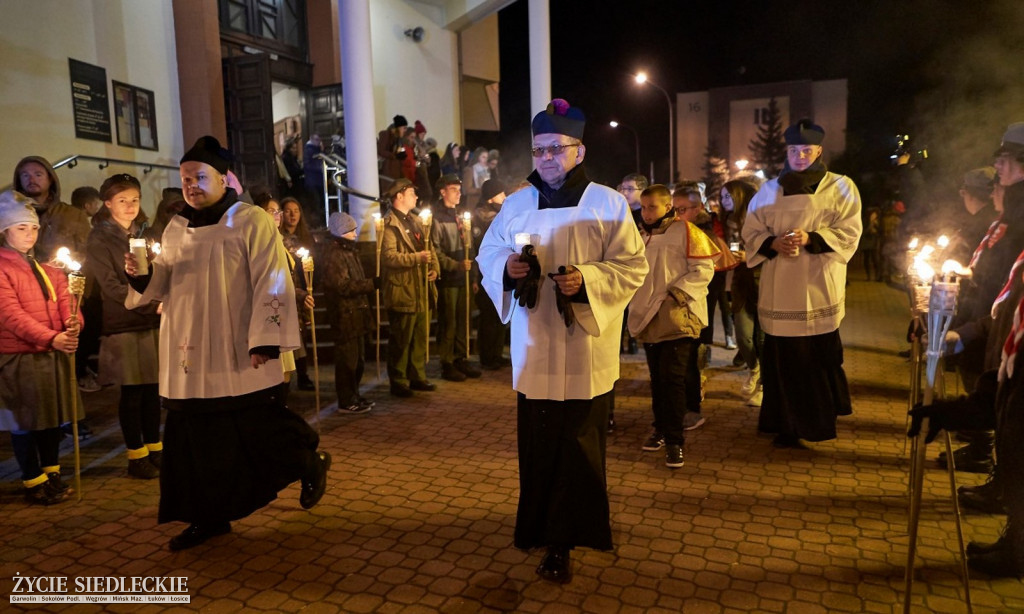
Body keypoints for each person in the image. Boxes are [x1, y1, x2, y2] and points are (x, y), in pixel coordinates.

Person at [124, 136, 330, 551]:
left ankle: (309, 463)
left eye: (200, 176)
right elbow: (161, 284)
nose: (191, 185)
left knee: (256, 427)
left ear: (222, 178)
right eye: (185, 178)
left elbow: (273, 280)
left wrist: (267, 340)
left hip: (239, 347)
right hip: (188, 354)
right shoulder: (176, 226)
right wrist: (140, 275)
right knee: (195, 443)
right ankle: (209, 517)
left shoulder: (251, 220)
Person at [477, 98, 647, 584]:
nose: (546, 158)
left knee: (578, 444)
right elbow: (488, 255)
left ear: (579, 150)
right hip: (535, 346)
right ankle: (536, 526)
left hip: (582, 348)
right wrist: (506, 269)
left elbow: (633, 265)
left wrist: (587, 280)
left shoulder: (607, 203)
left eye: (556, 148)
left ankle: (570, 536)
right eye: (539, 149)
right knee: (538, 443)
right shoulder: (516, 203)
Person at [742, 119, 863, 448]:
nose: (799, 156)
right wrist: (772, 244)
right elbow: (750, 232)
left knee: (815, 361)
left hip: (818, 285)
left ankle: (818, 421)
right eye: (794, 150)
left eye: (806, 150)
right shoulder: (768, 190)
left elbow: (851, 232)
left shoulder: (840, 187)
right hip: (780, 289)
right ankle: (785, 425)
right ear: (787, 151)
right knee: (782, 363)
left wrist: (812, 238)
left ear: (819, 151)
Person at [0, 190, 82, 504]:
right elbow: (10, 315)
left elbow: (65, 299)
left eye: (33, 228)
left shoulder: (46, 267)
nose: (29, 234)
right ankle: (32, 479)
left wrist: (73, 323)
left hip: (50, 352)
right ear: (5, 231)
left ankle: (52, 473)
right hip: (21, 355)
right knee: (26, 421)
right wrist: (51, 337)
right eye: (21, 228)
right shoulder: (4, 267)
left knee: (50, 418)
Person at [628, 184, 716, 468]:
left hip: (678, 314)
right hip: (648, 316)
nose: (647, 212)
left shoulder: (686, 232)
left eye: (653, 206)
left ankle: (675, 441)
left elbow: (704, 269)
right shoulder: (639, 235)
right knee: (657, 378)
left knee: (673, 378)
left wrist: (676, 294)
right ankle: (660, 429)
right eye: (644, 206)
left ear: (668, 207)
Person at [86, 173, 162, 479]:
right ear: (107, 203)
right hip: (124, 322)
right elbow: (110, 285)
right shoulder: (100, 238)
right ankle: (136, 455)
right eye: (122, 200)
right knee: (132, 392)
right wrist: (148, 302)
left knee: (153, 389)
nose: (130, 206)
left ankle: (155, 449)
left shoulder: (145, 233)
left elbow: (159, 271)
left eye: (135, 199)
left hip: (151, 318)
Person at [250, 187, 315, 408]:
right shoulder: (259, 242)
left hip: (285, 309)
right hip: (271, 310)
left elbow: (286, 278)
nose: (276, 216)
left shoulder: (279, 241)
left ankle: (279, 409)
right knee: (275, 371)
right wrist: (297, 294)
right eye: (271, 211)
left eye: (278, 212)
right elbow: (271, 281)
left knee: (286, 370)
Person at [380, 178, 440, 397]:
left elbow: (429, 247)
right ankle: (398, 379)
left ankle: (417, 375)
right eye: (412, 193)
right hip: (403, 289)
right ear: (400, 196)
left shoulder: (416, 220)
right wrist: (417, 258)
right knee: (402, 337)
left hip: (421, 288)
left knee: (419, 334)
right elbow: (388, 257)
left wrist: (434, 268)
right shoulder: (389, 225)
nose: (416, 196)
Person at [322, 212, 376, 413]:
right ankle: (346, 399)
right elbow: (342, 286)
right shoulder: (335, 255)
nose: (355, 234)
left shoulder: (348, 251)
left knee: (358, 360)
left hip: (356, 314)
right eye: (351, 230)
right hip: (345, 316)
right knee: (348, 361)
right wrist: (370, 284)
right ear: (341, 232)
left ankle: (354, 394)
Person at [431, 173, 480, 382]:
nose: (458, 194)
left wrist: (474, 276)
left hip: (465, 277)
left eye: (460, 190)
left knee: (463, 320)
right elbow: (435, 250)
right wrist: (455, 265)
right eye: (453, 190)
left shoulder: (461, 215)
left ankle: (461, 357)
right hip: (449, 278)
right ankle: (447, 361)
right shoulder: (437, 217)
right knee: (449, 321)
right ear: (442, 192)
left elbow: (471, 248)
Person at [722, 179, 764, 406]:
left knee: (762, 335)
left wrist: (751, 257)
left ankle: (763, 383)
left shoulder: (759, 216)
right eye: (721, 197)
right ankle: (754, 367)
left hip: (762, 278)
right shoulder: (725, 221)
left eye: (727, 196)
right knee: (743, 334)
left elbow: (774, 247)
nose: (723, 201)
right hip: (740, 280)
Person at [13, 156, 91, 264]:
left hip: (62, 278)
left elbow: (87, 255)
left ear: (50, 179)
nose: (31, 180)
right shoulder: (9, 217)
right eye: (25, 175)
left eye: (38, 174)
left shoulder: (73, 215)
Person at [473, 179, 509, 370]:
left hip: (502, 271)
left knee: (500, 313)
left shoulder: (500, 214)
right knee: (489, 315)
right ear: (489, 198)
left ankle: (496, 352)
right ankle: (487, 355)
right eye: (500, 193)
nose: (504, 197)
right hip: (488, 272)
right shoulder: (484, 217)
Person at [377, 115, 409, 195]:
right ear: (398, 127)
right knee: (387, 193)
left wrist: (402, 156)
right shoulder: (386, 135)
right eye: (404, 128)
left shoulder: (399, 140)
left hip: (396, 172)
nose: (405, 130)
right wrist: (394, 155)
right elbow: (381, 151)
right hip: (387, 171)